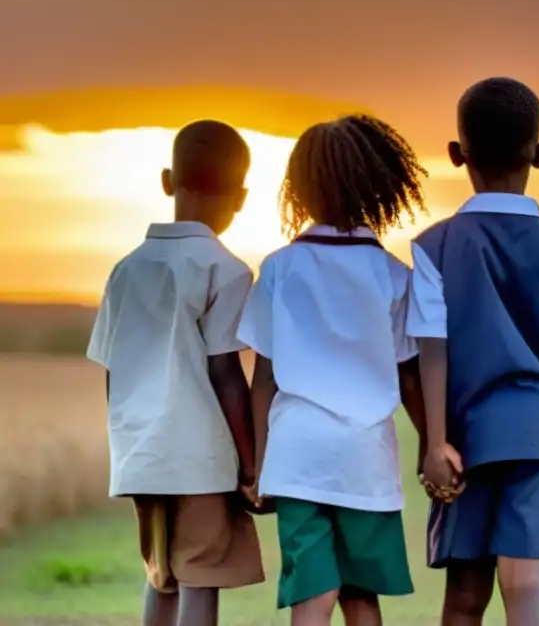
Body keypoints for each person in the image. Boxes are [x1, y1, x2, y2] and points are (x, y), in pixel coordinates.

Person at [407, 77, 539, 626]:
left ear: (457, 154)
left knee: (464, 594)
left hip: (467, 436)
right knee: (525, 586)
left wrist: (434, 442)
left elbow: (431, 350)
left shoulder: (433, 247)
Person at [237, 114, 429, 626]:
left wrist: (255, 463)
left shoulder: (278, 268)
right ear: (380, 186)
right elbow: (410, 376)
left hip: (298, 455)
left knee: (312, 594)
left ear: (297, 189)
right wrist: (433, 445)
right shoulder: (393, 275)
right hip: (366, 458)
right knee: (361, 596)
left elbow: (265, 378)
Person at [85, 121, 264, 626]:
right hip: (201, 456)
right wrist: (250, 465)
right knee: (201, 574)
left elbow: (113, 371)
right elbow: (226, 372)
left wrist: (129, 440)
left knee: (160, 574)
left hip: (142, 453)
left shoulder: (125, 269)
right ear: (242, 196)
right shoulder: (225, 270)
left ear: (168, 180)